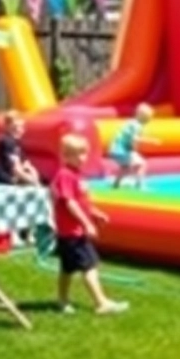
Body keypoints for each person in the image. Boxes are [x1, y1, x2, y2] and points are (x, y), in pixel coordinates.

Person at [50, 134, 128, 315]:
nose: (82, 158)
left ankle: (62, 301)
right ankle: (101, 303)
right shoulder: (65, 175)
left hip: (71, 232)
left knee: (67, 269)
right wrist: (86, 223)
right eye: (76, 154)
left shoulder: (77, 174)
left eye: (84, 153)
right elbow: (70, 203)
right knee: (89, 266)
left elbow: (83, 201)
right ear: (65, 156)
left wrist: (95, 213)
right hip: (72, 232)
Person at [108, 103, 156, 188]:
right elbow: (134, 139)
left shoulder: (130, 122)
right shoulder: (137, 125)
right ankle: (140, 185)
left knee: (125, 167)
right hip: (121, 149)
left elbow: (127, 138)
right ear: (142, 117)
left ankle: (116, 184)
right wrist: (150, 141)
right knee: (141, 164)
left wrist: (133, 150)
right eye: (147, 119)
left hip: (115, 149)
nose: (148, 121)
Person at [0, 111, 39, 186]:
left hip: (11, 176)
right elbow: (16, 169)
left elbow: (27, 164)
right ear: (7, 127)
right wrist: (32, 181)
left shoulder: (17, 142)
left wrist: (35, 176)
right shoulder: (6, 141)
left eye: (21, 127)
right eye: (14, 127)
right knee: (27, 183)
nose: (18, 130)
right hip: (4, 178)